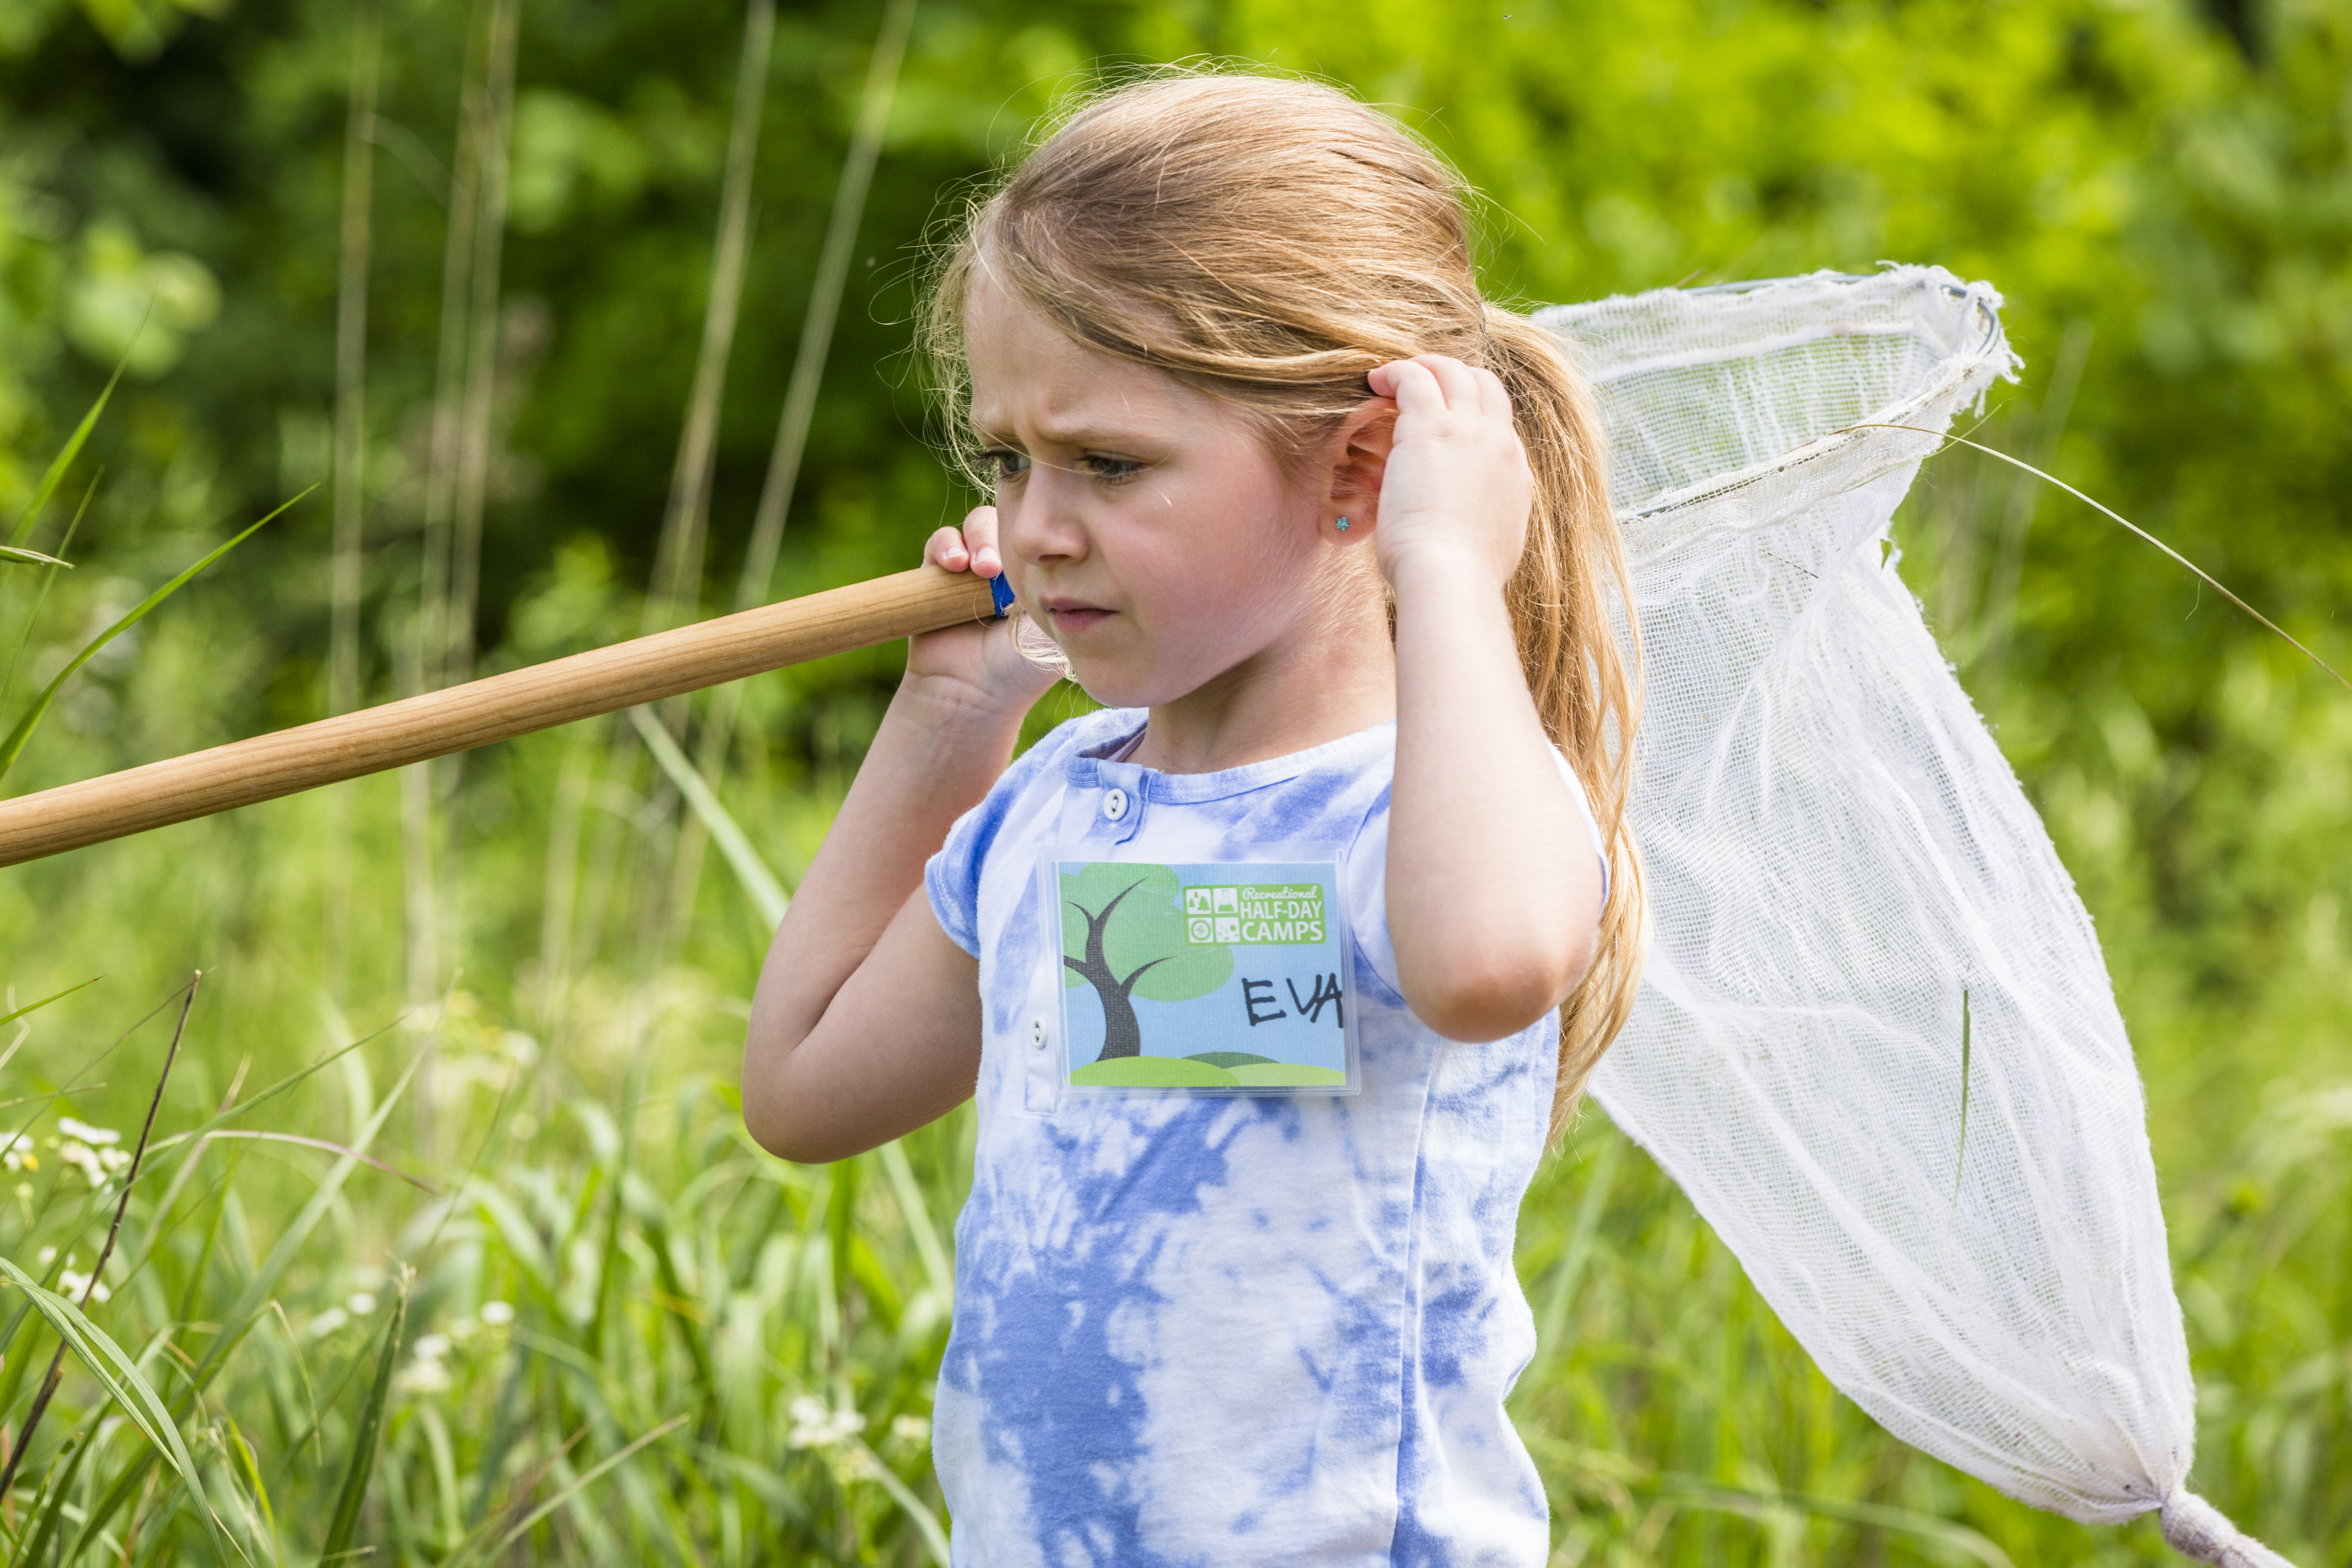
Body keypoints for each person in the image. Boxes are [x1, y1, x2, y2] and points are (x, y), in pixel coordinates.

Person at [742, 69, 1644, 1566]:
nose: (1036, 524)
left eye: (1109, 464)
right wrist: (951, 723)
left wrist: (1450, 575)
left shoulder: (1420, 804)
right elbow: (804, 1091)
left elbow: (1488, 966)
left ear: (1359, 471)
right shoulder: (1058, 813)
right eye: (1009, 459)